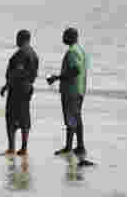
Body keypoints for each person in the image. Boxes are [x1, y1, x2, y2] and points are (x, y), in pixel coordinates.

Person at [46, 26, 92, 165]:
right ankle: (79, 146)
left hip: (71, 90)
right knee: (77, 117)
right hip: (80, 89)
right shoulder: (82, 51)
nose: (62, 38)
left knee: (71, 118)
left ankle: (69, 147)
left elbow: (76, 69)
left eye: (65, 35)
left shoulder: (72, 52)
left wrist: (57, 77)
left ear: (71, 37)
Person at [0, 29, 39, 156]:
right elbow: (33, 74)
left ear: (21, 39)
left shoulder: (22, 54)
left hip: (17, 89)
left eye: (17, 38)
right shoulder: (34, 54)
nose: (16, 41)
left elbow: (17, 71)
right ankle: (24, 148)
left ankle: (11, 148)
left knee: (11, 118)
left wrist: (7, 85)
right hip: (27, 88)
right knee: (24, 118)